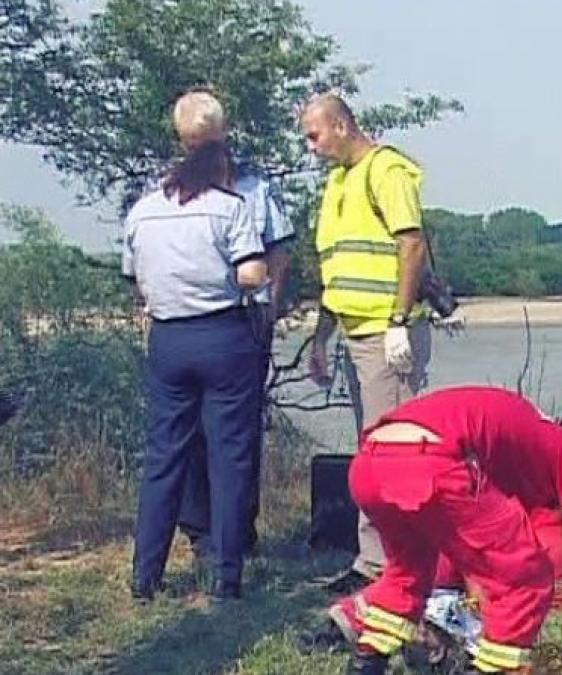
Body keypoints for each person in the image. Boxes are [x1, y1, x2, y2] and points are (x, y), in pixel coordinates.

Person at [339, 386, 562, 675]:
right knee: (526, 578)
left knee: (408, 576)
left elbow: (477, 550)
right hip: (428, 460)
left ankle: (365, 663)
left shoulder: (524, 445)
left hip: (369, 463)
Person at [122, 139, 267, 601]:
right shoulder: (230, 207)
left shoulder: (142, 211)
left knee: (164, 456)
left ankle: (145, 576)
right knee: (230, 457)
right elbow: (252, 275)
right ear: (220, 171)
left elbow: (134, 277)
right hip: (222, 334)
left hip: (168, 337)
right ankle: (226, 576)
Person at [302, 94, 434, 591]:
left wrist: (399, 319)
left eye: (314, 136)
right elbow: (338, 271)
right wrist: (320, 339)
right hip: (356, 332)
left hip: (387, 335)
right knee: (371, 453)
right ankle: (374, 561)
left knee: (392, 454)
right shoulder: (340, 181)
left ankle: (393, 569)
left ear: (340, 126)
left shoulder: (386, 170)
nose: (311, 148)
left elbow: (411, 244)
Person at [169, 89, 295, 559]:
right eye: (189, 141)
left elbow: (278, 252)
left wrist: (269, 310)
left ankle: (240, 531)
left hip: (244, 321)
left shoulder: (255, 187)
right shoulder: (166, 189)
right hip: (187, 320)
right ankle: (199, 531)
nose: (196, 148)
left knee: (239, 433)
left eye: (203, 139)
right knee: (188, 431)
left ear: (221, 134)